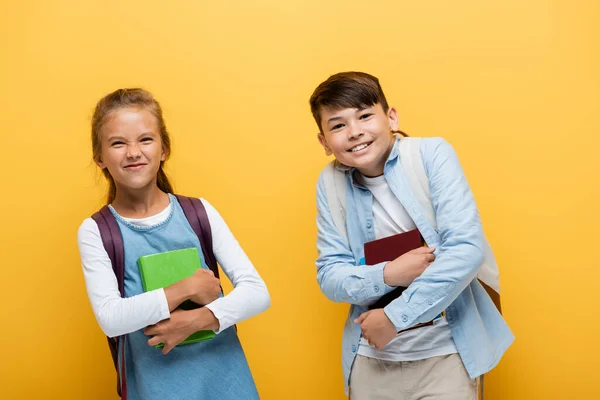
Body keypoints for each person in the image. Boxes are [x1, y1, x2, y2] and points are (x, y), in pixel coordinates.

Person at [309, 71, 513, 399]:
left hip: (448, 355)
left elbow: (465, 248)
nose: (355, 132)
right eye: (337, 125)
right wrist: (390, 273)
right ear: (324, 142)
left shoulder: (431, 155)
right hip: (370, 358)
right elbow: (330, 276)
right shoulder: (330, 183)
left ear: (391, 117)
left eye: (364, 116)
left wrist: (394, 316)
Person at [77, 88, 270, 399]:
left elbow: (257, 292)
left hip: (227, 382)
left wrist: (198, 320)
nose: (133, 152)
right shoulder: (97, 231)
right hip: (157, 388)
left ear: (164, 149)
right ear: (100, 158)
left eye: (145, 139)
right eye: (118, 143)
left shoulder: (199, 212)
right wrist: (185, 289)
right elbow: (110, 319)